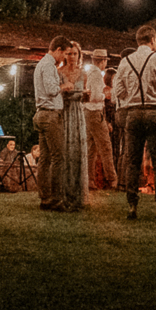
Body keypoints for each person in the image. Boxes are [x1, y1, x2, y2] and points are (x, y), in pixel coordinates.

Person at [111, 25, 156, 220]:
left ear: (137, 41)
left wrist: (131, 97)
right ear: (153, 40)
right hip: (155, 111)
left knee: (133, 161)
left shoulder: (126, 61)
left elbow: (118, 91)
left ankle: (132, 206)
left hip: (133, 113)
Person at [32, 35, 69, 210]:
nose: (65, 58)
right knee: (58, 157)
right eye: (65, 53)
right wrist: (65, 87)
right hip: (50, 115)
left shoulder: (42, 64)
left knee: (45, 159)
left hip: (41, 114)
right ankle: (56, 199)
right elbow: (51, 90)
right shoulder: (48, 66)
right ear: (58, 49)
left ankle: (45, 198)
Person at [52, 42, 90, 210]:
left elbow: (85, 98)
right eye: (69, 54)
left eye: (75, 54)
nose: (72, 57)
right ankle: (63, 195)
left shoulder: (83, 74)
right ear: (65, 55)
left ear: (79, 56)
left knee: (77, 153)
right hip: (64, 112)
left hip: (78, 114)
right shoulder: (59, 73)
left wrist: (86, 95)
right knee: (65, 152)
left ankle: (77, 195)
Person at [86, 48, 117, 190]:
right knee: (105, 146)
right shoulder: (97, 74)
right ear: (102, 61)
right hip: (95, 111)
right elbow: (95, 96)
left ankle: (89, 179)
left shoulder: (88, 73)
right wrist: (105, 95)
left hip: (87, 113)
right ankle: (112, 179)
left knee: (90, 148)